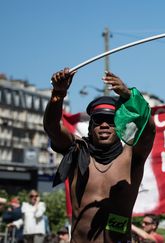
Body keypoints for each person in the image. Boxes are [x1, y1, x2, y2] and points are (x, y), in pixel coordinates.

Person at [44, 68, 156, 242]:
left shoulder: (131, 157)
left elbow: (149, 130)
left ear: (118, 126)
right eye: (98, 120)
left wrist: (129, 96)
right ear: (90, 127)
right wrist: (58, 94)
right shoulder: (77, 151)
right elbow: (52, 127)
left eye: (111, 121)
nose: (104, 125)